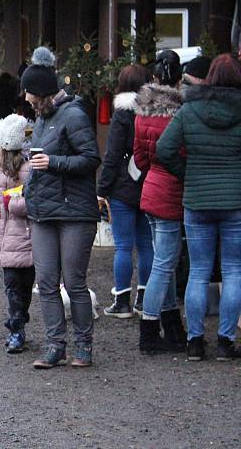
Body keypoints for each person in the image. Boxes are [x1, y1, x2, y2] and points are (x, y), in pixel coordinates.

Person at [157, 53, 241, 361]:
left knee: (198, 270)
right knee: (233, 270)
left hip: (197, 201)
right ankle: (225, 342)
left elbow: (164, 149)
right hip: (235, 202)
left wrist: (188, 173)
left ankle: (194, 342)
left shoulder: (189, 110)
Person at [22, 46, 101, 369]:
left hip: (74, 212)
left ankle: (83, 346)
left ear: (41, 93)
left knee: (74, 281)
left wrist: (53, 162)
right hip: (42, 211)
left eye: (28, 92)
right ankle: (54, 345)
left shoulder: (74, 115)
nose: (25, 98)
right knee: (46, 280)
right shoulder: (42, 118)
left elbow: (90, 159)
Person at [133, 50, 187, 355]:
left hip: (150, 188)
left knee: (161, 262)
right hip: (170, 192)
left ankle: (171, 325)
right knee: (165, 264)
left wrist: (153, 171)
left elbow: (139, 158)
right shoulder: (180, 114)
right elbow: (183, 156)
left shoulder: (141, 113)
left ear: (154, 78)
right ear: (179, 79)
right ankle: (150, 330)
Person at [96, 65, 154, 319]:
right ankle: (144, 298)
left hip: (122, 187)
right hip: (150, 184)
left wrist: (102, 189)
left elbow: (112, 155)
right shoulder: (155, 111)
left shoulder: (122, 115)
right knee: (146, 245)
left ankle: (122, 301)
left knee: (123, 246)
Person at [0, 114, 33, 353]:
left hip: (26, 237)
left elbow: (33, 202)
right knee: (11, 284)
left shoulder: (28, 168)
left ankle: (20, 317)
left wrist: (10, 204)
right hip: (5, 235)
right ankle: (16, 327)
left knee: (25, 285)